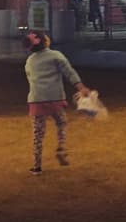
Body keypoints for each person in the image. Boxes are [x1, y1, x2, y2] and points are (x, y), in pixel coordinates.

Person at [22, 31, 83, 175]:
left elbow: (30, 78)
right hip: (55, 97)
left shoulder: (30, 61)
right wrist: (80, 86)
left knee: (38, 133)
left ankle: (37, 166)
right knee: (61, 123)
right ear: (45, 42)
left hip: (36, 99)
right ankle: (61, 146)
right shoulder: (56, 55)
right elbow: (69, 72)